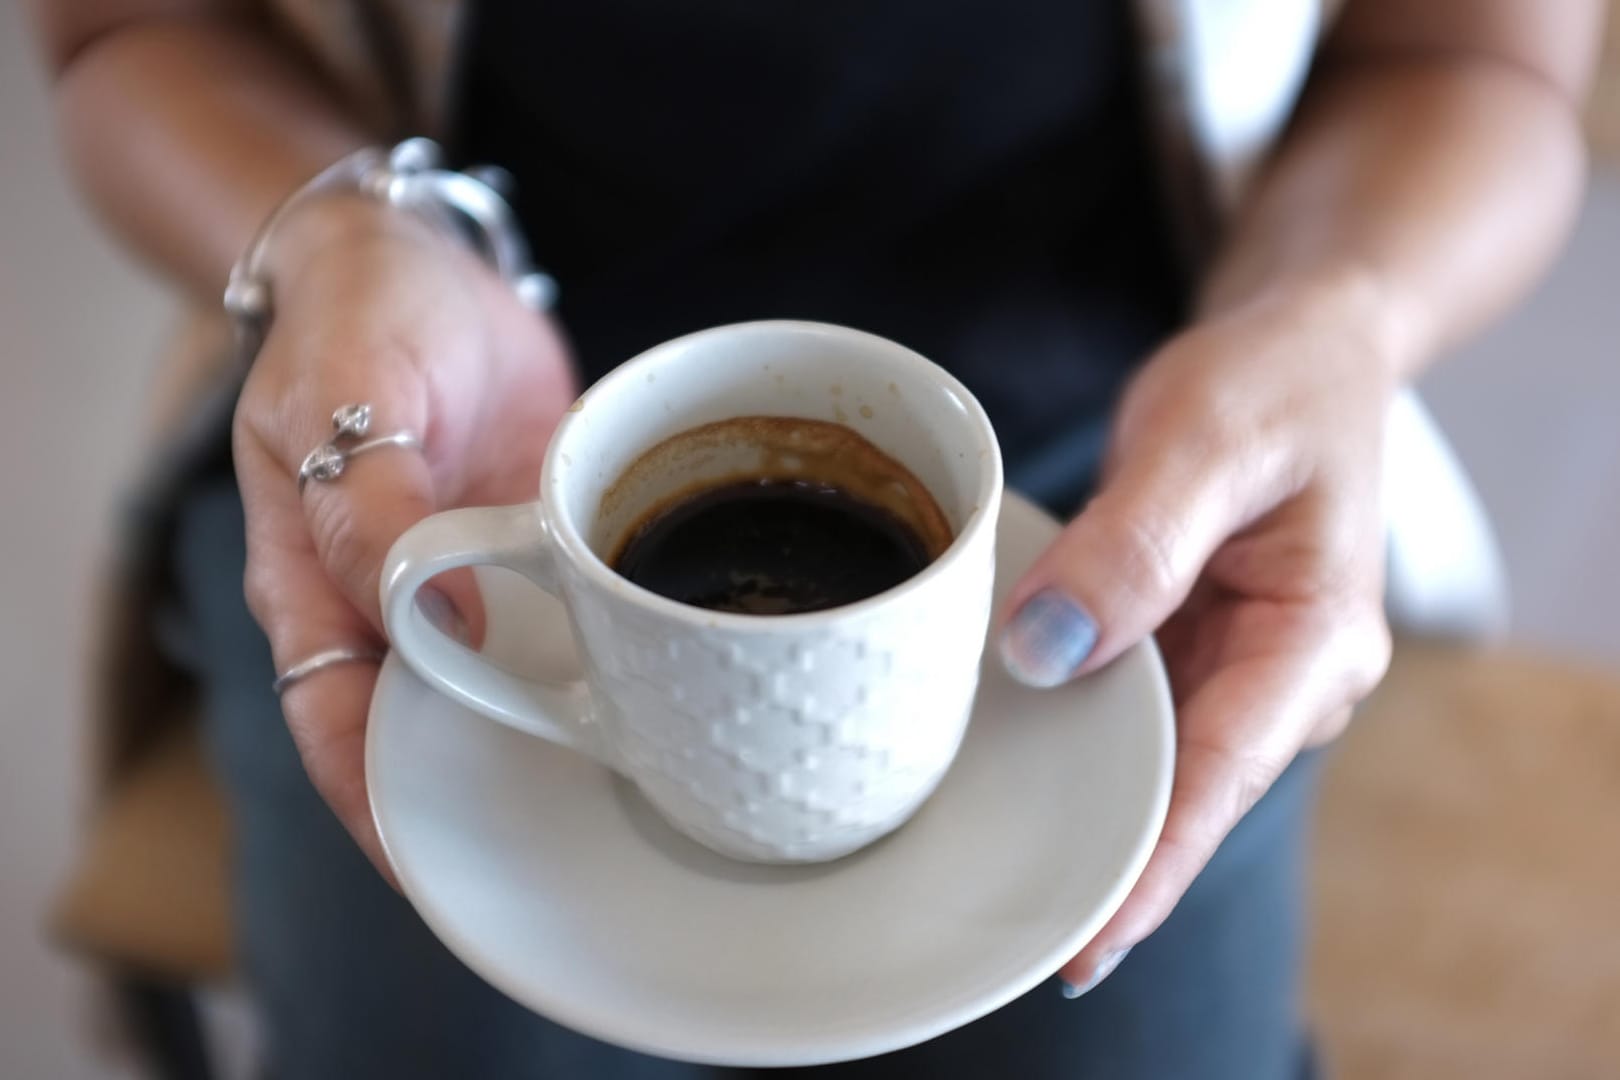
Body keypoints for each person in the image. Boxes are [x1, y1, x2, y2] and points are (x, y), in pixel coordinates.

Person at [33, 1, 1599, 1076]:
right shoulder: (457, 482)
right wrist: (345, 232)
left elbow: (1473, 54)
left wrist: (1328, 312)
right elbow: (131, 27)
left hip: (1137, 441)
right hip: (452, 421)